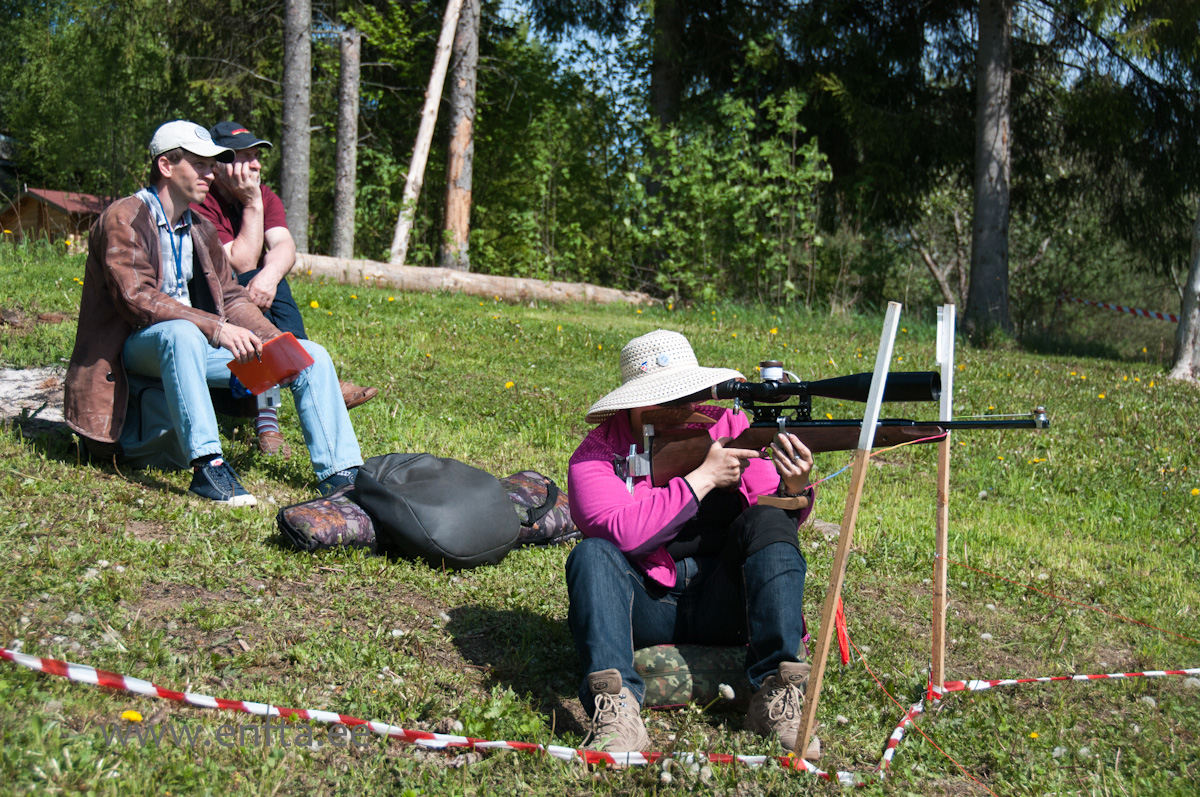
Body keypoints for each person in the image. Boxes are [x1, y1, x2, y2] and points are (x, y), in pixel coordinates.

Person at [64, 120, 364, 506]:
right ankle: (209, 466)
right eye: (200, 164)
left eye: (212, 164)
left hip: (190, 346)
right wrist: (216, 328)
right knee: (182, 333)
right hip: (131, 351)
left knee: (311, 356)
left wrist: (276, 344)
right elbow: (137, 298)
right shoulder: (124, 216)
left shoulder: (200, 228)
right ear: (166, 166)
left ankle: (342, 476)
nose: (210, 173)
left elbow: (233, 297)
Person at [565, 329, 819, 757]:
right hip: (644, 607)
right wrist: (702, 479)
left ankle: (776, 693)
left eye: (687, 393)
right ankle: (616, 707)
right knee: (592, 554)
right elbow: (623, 533)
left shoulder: (728, 425)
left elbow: (773, 520)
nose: (684, 406)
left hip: (725, 601)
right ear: (636, 401)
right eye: (667, 397)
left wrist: (795, 488)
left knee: (770, 521)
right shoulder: (594, 455)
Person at [192, 120, 377, 458]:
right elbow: (241, 262)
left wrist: (270, 276)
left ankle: (276, 408)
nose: (256, 165)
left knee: (270, 280)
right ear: (219, 164)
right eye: (245, 157)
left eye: (257, 156)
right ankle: (300, 379)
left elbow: (284, 247)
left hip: (248, 308)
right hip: (208, 307)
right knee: (252, 283)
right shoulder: (203, 199)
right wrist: (252, 205)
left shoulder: (265, 195)